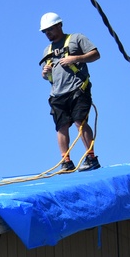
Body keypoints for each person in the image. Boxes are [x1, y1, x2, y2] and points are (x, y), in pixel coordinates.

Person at [39, 13, 101, 172]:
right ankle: (66, 161)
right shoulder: (48, 50)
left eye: (50, 30)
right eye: (45, 31)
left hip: (77, 89)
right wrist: (45, 73)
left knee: (79, 121)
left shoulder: (76, 38)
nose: (48, 34)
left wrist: (75, 58)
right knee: (61, 126)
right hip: (58, 94)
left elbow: (95, 54)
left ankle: (91, 157)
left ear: (59, 25)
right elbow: (48, 76)